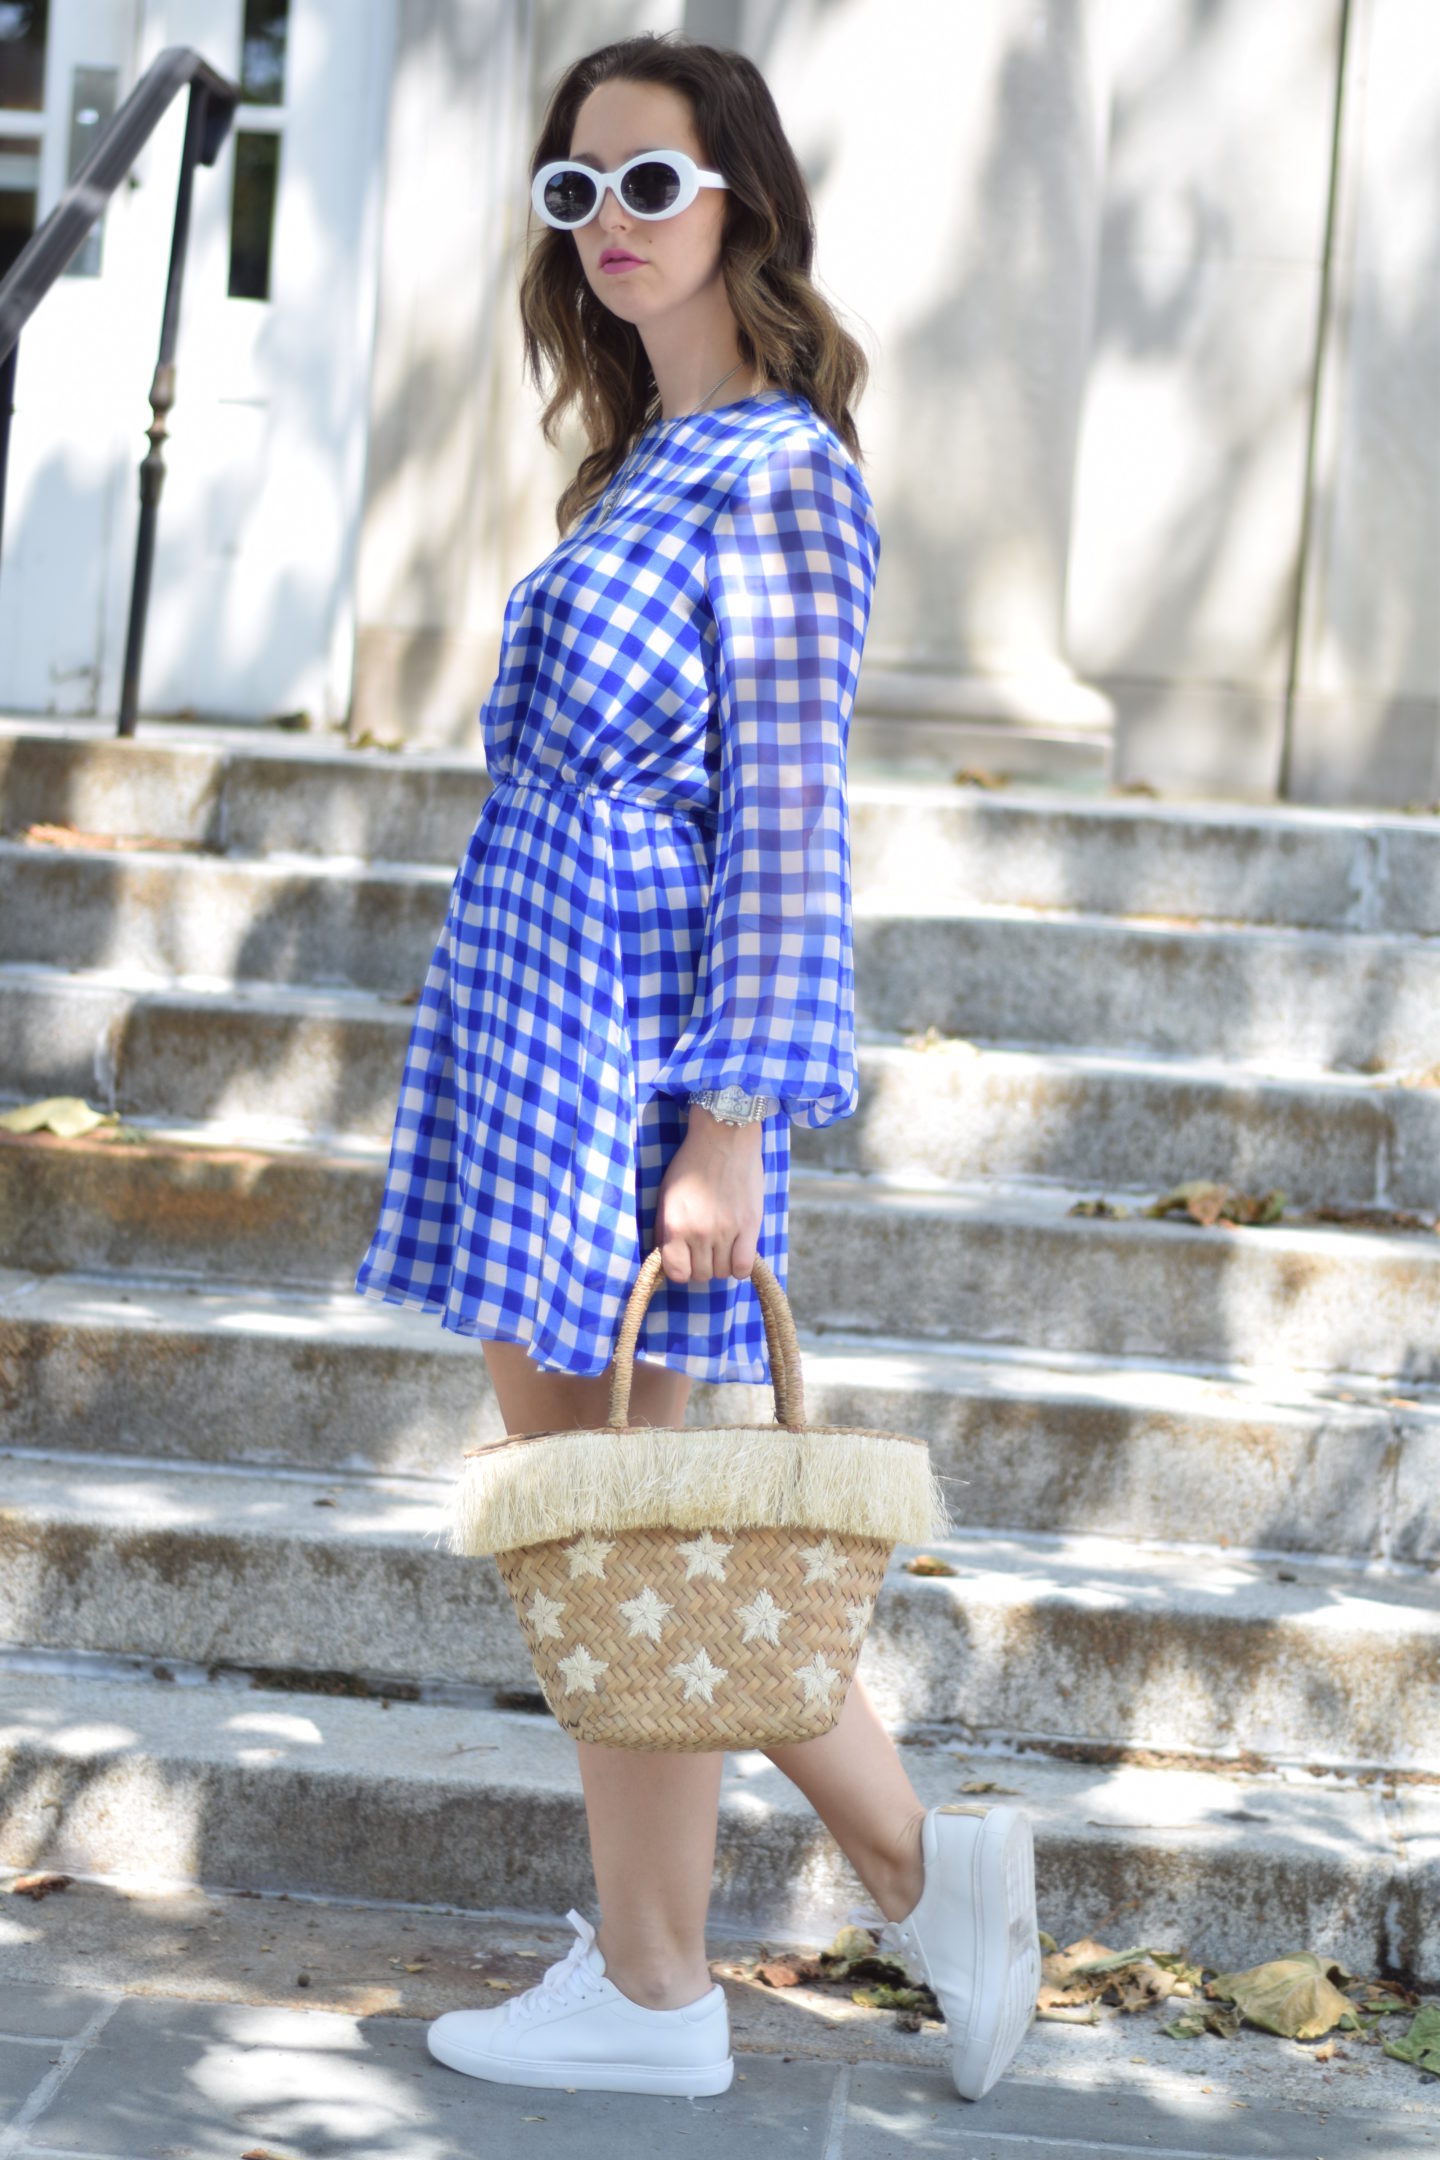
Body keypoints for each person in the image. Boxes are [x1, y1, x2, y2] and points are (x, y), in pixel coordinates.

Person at [354, 29, 1040, 2107]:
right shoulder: (631, 469)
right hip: (537, 1019)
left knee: (636, 1528)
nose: (614, 227)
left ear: (742, 194)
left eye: (650, 183)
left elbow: (786, 825)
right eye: (578, 196)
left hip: (649, 1049)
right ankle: (756, 1942)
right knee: (604, 1530)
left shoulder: (787, 473)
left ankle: (741, 1952)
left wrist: (733, 1121)